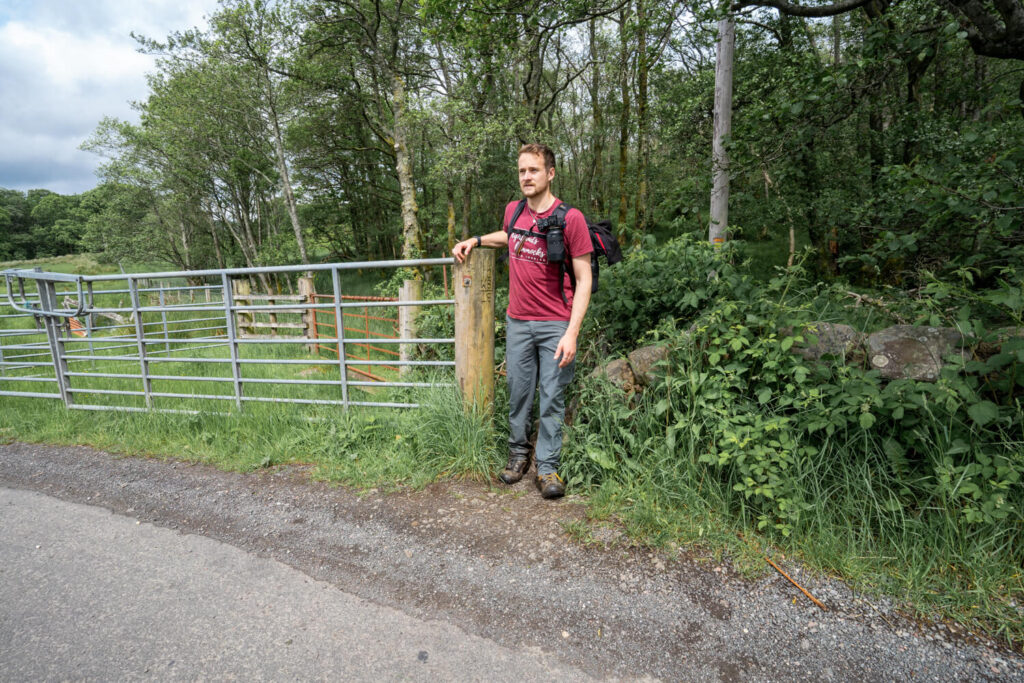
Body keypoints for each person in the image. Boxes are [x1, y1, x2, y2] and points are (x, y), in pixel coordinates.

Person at [452, 143, 592, 499]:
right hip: (517, 322)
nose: (526, 177)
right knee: (517, 393)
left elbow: (584, 276)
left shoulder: (570, 218)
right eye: (521, 171)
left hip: (555, 323)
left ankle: (547, 468)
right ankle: (518, 456)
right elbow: (510, 237)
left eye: (533, 170)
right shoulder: (514, 211)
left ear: (551, 173)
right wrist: (477, 239)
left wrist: (572, 332)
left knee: (552, 397)